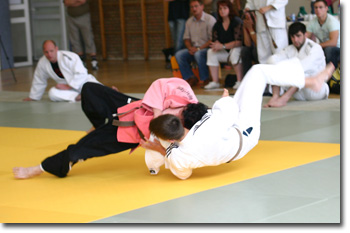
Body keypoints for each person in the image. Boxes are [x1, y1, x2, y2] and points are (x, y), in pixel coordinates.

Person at [147, 59, 335, 180]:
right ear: (178, 122)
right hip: (244, 130)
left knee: (260, 73)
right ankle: (312, 81)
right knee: (257, 72)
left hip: (232, 143)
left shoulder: (177, 156)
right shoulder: (206, 127)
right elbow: (229, 111)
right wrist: (224, 98)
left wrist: (163, 151)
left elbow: (183, 174)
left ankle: (297, 72)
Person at [13, 78, 198, 179]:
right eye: (178, 112)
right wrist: (158, 115)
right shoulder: (189, 99)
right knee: (89, 89)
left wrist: (156, 146)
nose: (176, 114)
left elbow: (181, 166)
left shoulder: (186, 136)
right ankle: (102, 123)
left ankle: (39, 168)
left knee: (80, 149)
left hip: (131, 133)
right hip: (135, 106)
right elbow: (160, 85)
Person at [264, 22, 329, 108]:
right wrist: (278, 68)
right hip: (298, 94)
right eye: (293, 37)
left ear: (305, 35)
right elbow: (271, 60)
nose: (295, 40)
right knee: (274, 68)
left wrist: (283, 68)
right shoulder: (289, 49)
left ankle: (284, 98)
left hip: (315, 91)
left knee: (301, 74)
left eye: (298, 36)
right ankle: (275, 96)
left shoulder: (315, 48)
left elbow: (303, 67)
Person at [23, 40, 100, 102]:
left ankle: (110, 91)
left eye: (51, 51)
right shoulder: (42, 62)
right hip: (67, 88)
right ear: (43, 52)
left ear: (56, 49)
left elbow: (82, 73)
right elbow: (39, 80)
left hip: (82, 82)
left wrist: (69, 86)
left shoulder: (69, 57)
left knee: (100, 91)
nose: (49, 54)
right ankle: (78, 97)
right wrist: (33, 97)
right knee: (52, 93)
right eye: (46, 52)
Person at [174, 0, 216, 87]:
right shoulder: (189, 21)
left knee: (198, 54)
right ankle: (190, 77)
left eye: (196, 6)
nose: (194, 9)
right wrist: (190, 48)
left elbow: (212, 40)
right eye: (192, 7)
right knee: (179, 54)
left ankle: (204, 79)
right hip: (194, 48)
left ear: (202, 7)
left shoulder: (210, 19)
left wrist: (198, 49)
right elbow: (186, 38)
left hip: (207, 48)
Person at [204, 0, 243, 90]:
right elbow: (215, 40)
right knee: (211, 52)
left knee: (235, 51)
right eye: (220, 8)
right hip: (226, 51)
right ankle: (215, 81)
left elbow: (239, 41)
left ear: (230, 9)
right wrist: (216, 44)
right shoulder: (217, 24)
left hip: (239, 51)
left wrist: (223, 46)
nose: (222, 10)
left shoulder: (236, 21)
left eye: (225, 8)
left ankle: (239, 81)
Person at [64, 0, 98, 70]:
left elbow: (83, 1)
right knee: (74, 38)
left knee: (88, 37)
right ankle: (81, 60)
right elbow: (66, 2)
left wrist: (72, 2)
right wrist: (76, 2)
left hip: (83, 16)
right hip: (71, 17)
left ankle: (94, 60)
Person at [306, 0, 340, 69]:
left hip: (338, 48)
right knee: (307, 49)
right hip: (323, 47)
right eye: (316, 7)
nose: (318, 10)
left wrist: (316, 46)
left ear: (326, 8)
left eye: (321, 7)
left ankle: (331, 76)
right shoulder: (312, 23)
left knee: (329, 50)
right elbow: (305, 39)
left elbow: (333, 42)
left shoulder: (332, 21)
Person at [240, 9, 259, 77]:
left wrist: (251, 29)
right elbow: (248, 44)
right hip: (253, 48)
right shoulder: (246, 25)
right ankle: (246, 77)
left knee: (255, 51)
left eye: (249, 18)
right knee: (245, 51)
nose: (247, 20)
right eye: (245, 18)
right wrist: (245, 29)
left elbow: (258, 44)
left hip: (261, 49)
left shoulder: (259, 26)